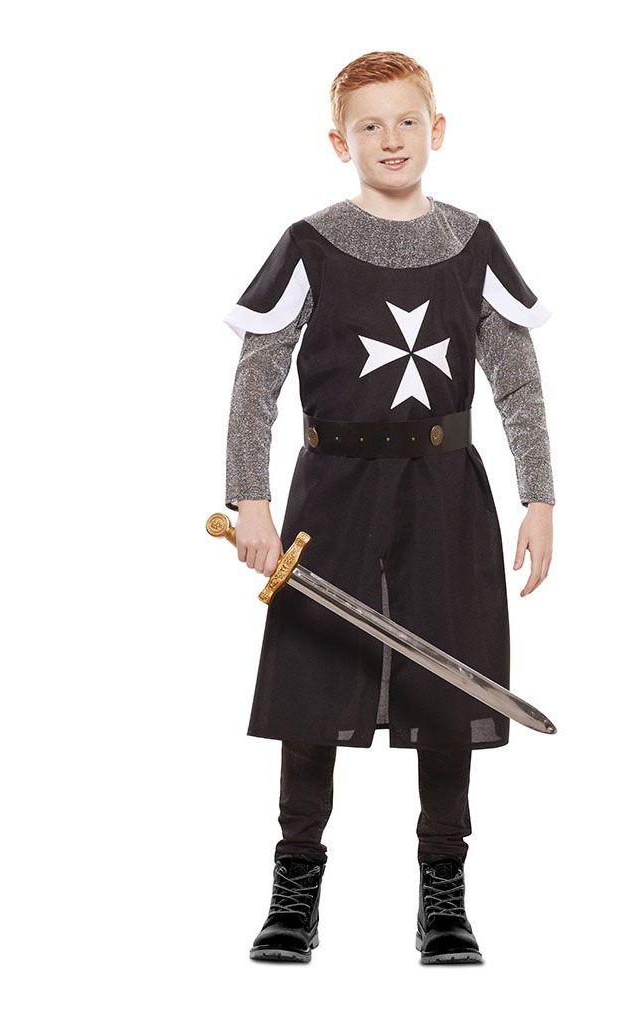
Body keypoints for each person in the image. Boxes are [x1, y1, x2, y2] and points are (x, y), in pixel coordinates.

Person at [220, 51, 555, 964]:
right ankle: (296, 884)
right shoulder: (312, 242)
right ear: (341, 142)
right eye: (369, 125)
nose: (391, 139)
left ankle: (444, 892)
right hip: (330, 491)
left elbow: (519, 385)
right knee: (311, 679)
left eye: (407, 121)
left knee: (448, 683)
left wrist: (540, 496)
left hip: (446, 492)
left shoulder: (473, 243)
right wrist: (249, 499)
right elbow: (256, 384)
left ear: (436, 130)